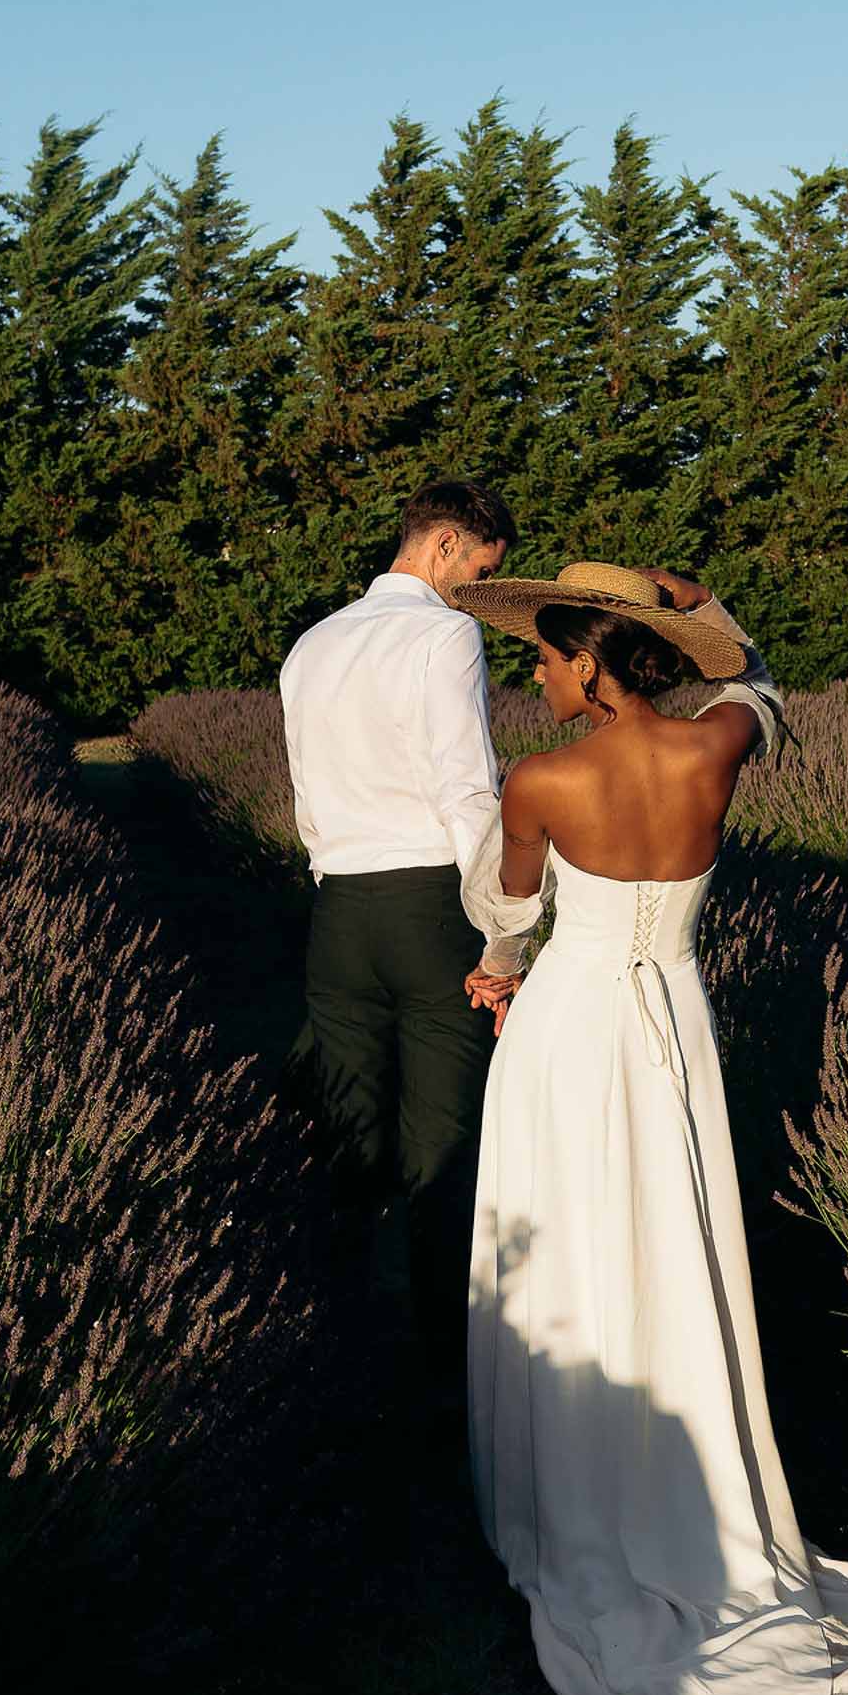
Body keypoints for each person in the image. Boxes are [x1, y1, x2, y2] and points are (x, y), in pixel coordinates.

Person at [450, 559, 848, 1695]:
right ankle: (688, 1469)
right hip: (674, 1018)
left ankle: (582, 1471)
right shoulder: (715, 748)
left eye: (550, 656)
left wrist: (498, 971)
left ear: (594, 661)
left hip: (572, 1032)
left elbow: (507, 913)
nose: (538, 673)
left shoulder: (544, 778)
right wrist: (698, 601)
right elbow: (755, 679)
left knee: (569, 1233)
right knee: (673, 1229)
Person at [278, 479, 516, 1379]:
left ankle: (328, 1335)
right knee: (441, 1137)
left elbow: (305, 796)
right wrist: (501, 928)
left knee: (344, 1128)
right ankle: (440, 1362)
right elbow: (466, 787)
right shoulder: (443, 634)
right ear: (445, 543)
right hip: (428, 905)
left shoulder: (313, 643)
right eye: (480, 571)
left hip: (338, 909)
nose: (479, 593)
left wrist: (329, 874)